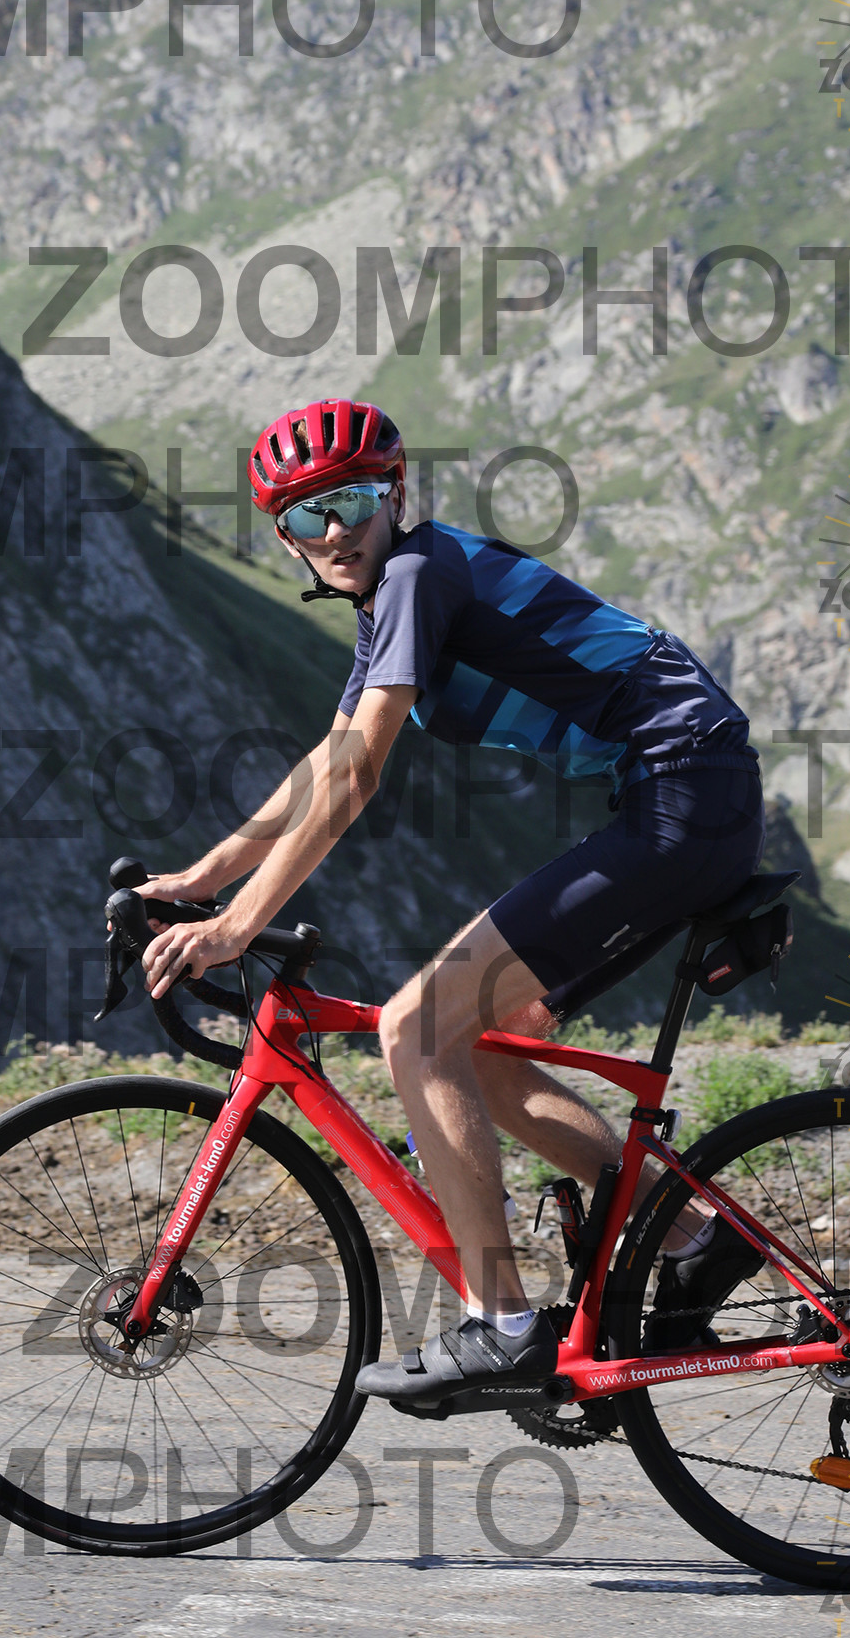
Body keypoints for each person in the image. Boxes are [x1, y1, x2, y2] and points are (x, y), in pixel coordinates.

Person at [140, 397, 766, 1407]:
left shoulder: (415, 577)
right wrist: (202, 881)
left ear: (393, 495)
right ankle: (695, 1234)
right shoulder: (395, 592)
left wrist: (237, 926)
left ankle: (502, 1327)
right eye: (305, 516)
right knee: (478, 1046)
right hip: (684, 795)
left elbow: (357, 780)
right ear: (285, 540)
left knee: (417, 1028)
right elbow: (327, 760)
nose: (333, 530)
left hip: (685, 796)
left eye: (350, 502)